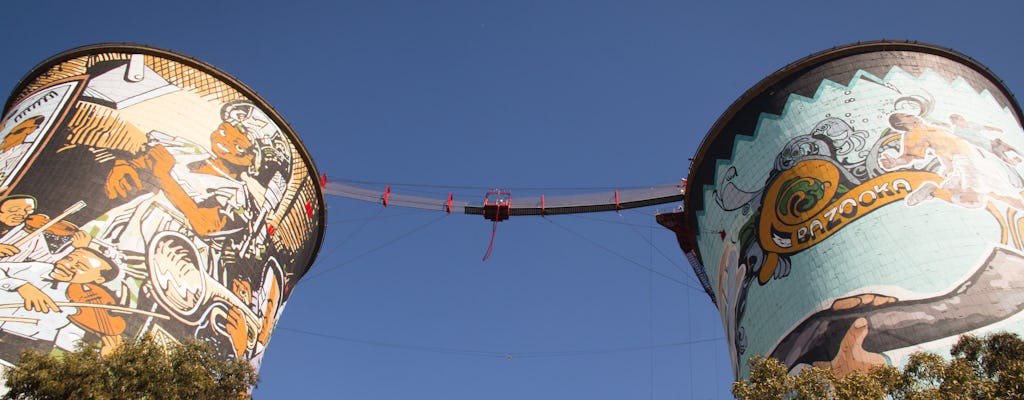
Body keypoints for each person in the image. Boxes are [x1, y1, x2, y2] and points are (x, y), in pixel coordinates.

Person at [880, 113, 1024, 209]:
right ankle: (933, 190)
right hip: (965, 160)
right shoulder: (914, 133)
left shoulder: (934, 128)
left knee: (1010, 199)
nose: (910, 115)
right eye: (905, 116)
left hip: (978, 159)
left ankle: (936, 190)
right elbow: (909, 156)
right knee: (972, 199)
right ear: (900, 124)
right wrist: (895, 163)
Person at [0, 246, 123, 357]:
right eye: (68, 258)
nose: (67, 265)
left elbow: (70, 341)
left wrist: (101, 354)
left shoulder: (80, 301)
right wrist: (21, 285)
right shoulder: (36, 267)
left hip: (22, 347)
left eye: (80, 266)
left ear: (98, 279)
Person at [0, 195, 91, 264]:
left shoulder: (33, 235)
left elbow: (48, 261)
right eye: (13, 209)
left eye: (28, 210)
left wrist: (75, 247)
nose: (21, 213)